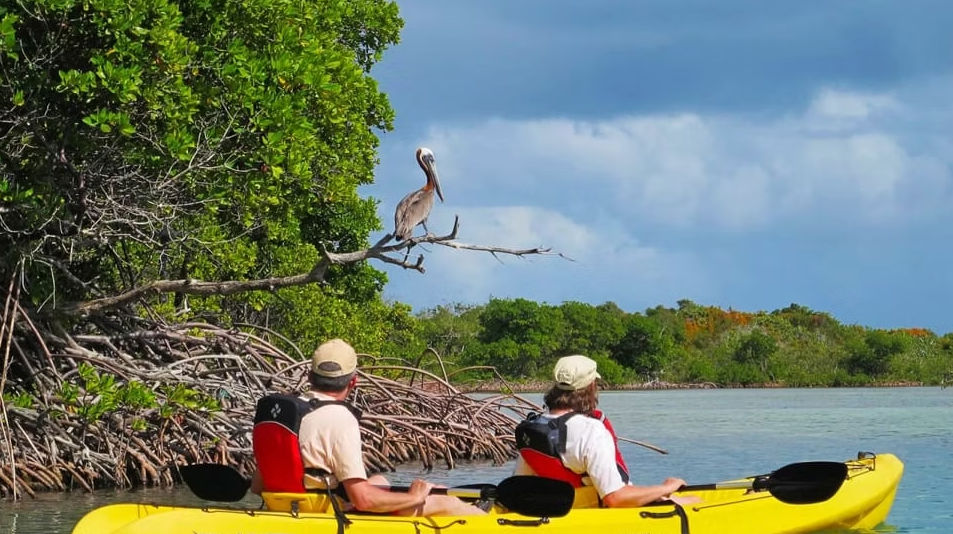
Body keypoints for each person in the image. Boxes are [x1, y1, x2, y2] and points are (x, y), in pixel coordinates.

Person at [250, 338, 485, 516]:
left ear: (310, 376)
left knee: (381, 481)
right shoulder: (340, 419)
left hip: (286, 503)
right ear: (354, 381)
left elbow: (258, 486)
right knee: (447, 501)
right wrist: (415, 497)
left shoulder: (285, 414)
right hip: (323, 512)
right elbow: (363, 501)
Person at [514, 354, 694, 508]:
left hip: (563, 511)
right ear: (591, 386)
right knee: (695, 501)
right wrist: (666, 488)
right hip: (598, 514)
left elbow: (519, 484)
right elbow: (614, 498)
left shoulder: (533, 429)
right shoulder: (591, 431)